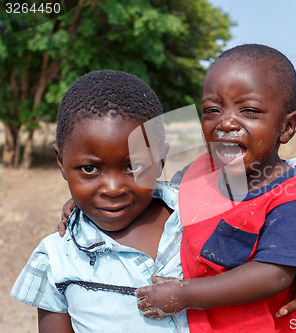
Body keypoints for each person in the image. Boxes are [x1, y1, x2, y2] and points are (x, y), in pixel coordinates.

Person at [135, 44, 296, 332]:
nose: (225, 123)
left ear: (287, 127)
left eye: (249, 110)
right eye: (212, 110)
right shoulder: (195, 173)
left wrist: (185, 294)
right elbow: (153, 202)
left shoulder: (292, 196)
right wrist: (82, 210)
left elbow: (274, 274)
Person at [11, 70, 189, 332]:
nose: (114, 188)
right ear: (61, 161)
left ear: (161, 159)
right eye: (90, 169)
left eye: (134, 166)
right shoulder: (56, 259)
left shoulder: (198, 214)